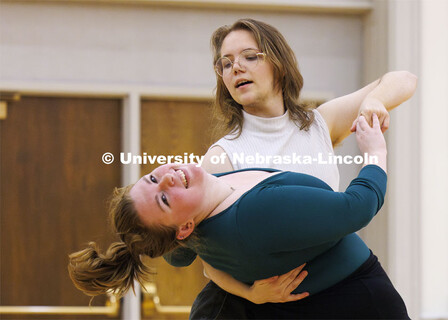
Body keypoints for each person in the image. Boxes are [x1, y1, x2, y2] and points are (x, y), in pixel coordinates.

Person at [166, 18, 416, 318]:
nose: (236, 68)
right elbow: (210, 257)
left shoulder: (320, 124)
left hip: (338, 293)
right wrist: (250, 294)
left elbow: (405, 79)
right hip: (267, 305)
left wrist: (374, 100)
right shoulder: (222, 156)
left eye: (249, 56)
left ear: (279, 63)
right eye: (226, 63)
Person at [68, 114, 410, 319]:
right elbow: (358, 207)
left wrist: (246, 292)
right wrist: (375, 153)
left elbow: (184, 259)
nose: (168, 177)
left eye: (152, 178)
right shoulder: (255, 216)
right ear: (184, 227)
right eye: (163, 199)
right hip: (364, 303)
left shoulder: (189, 234)